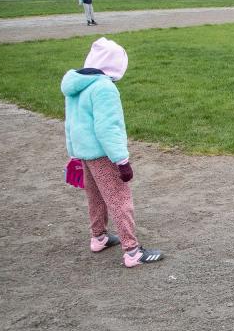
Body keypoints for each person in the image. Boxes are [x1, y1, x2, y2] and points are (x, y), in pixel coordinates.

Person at [62, 37, 164, 268]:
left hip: (83, 153)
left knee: (95, 196)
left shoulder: (76, 85)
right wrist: (122, 160)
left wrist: (73, 153)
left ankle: (99, 237)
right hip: (102, 154)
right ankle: (132, 251)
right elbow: (109, 127)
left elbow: (70, 123)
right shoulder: (104, 88)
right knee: (120, 199)